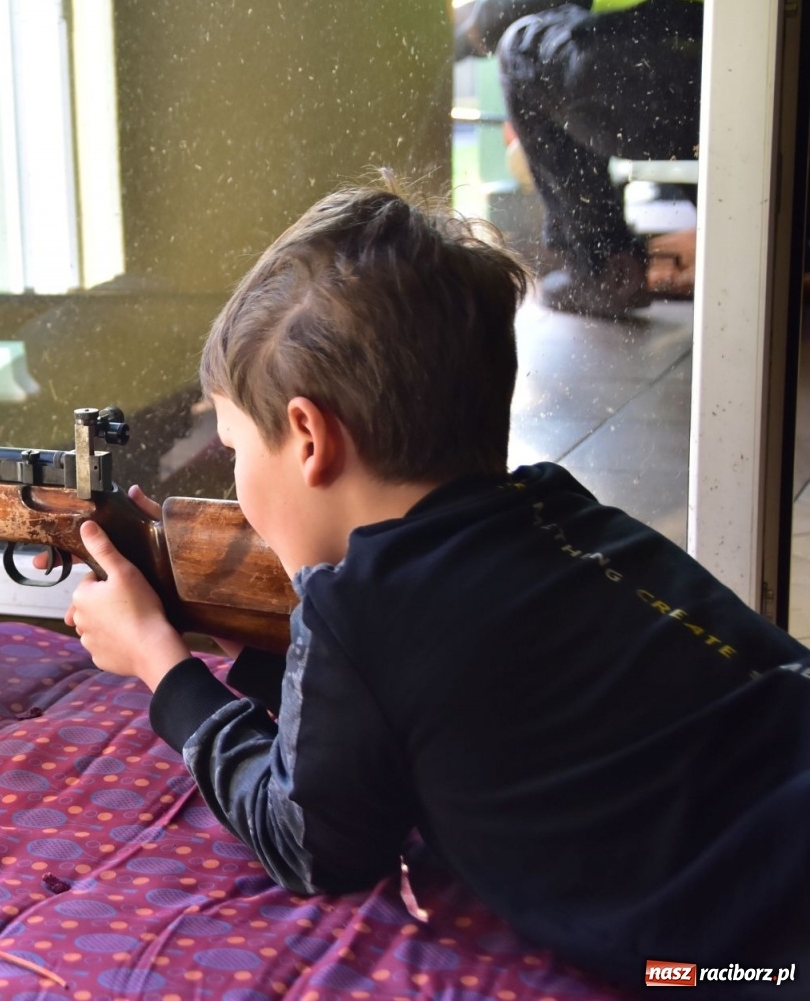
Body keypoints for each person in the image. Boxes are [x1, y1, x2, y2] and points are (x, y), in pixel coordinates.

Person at [61, 184, 810, 992]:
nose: (232, 473)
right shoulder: (562, 509)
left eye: (234, 444)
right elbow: (429, 722)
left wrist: (163, 669)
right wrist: (260, 659)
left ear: (309, 439)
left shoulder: (359, 609)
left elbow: (313, 844)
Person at [455, 0, 705, 319]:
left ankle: (605, 268)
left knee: (522, 45)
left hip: (649, 77)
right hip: (737, 94)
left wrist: (472, 30)